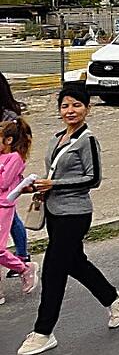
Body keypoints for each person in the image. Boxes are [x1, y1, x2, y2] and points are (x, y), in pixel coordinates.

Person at [19, 84, 119, 355]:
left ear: (87, 108)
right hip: (55, 213)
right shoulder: (57, 137)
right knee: (76, 263)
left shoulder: (87, 140)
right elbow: (54, 176)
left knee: (54, 269)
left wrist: (53, 184)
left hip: (76, 214)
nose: (70, 110)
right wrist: (37, 186)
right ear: (59, 110)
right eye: (65, 105)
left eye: (76, 105)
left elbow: (93, 179)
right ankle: (114, 299)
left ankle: (43, 331)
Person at [0, 118, 37, 306]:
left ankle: (24, 268)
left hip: (3, 207)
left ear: (7, 140)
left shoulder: (14, 158)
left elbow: (4, 182)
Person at [0, 72, 29, 279]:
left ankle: (22, 257)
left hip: (7, 172)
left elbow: (19, 145)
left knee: (12, 218)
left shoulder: (9, 116)